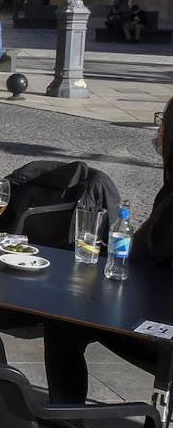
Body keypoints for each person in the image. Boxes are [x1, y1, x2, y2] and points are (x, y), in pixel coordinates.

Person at [44, 96, 173, 403]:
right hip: (152, 310)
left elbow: (149, 265)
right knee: (65, 321)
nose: (158, 131)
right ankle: (67, 420)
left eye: (162, 123)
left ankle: (66, 422)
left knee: (63, 321)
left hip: (160, 329)